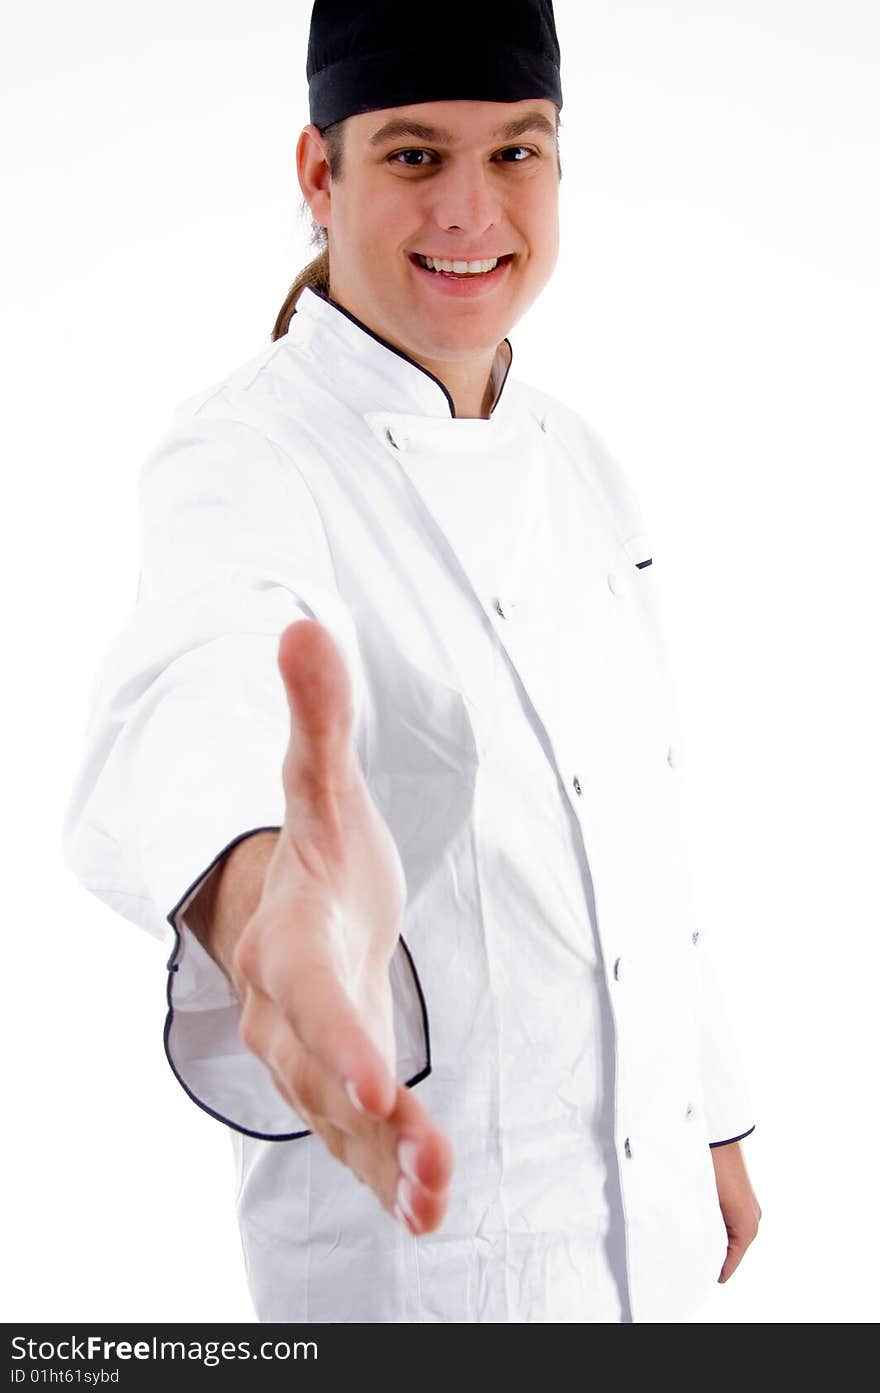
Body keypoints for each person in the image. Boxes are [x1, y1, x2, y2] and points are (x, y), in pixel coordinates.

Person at [62, 0, 762, 1323]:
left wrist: (708, 1109)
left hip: (652, 1238)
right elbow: (199, 671)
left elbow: (631, 826)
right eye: (412, 155)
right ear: (320, 175)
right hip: (429, 1275)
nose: (471, 210)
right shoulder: (245, 456)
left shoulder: (583, 461)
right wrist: (268, 905)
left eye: (516, 152)